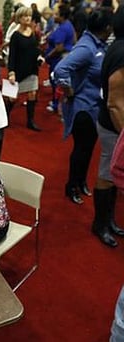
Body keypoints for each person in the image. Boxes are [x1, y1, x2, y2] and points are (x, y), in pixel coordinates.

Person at [53, 8, 113, 205]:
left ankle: (80, 182)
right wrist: (68, 90)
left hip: (95, 107)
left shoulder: (99, 44)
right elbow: (61, 69)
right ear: (106, 28)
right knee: (81, 150)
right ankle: (71, 186)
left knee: (88, 150)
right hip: (82, 109)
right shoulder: (86, 48)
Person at [92, 4, 124, 248]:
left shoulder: (116, 45)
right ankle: (100, 224)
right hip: (113, 124)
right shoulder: (121, 51)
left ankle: (109, 220)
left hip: (112, 122)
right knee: (107, 173)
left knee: (111, 175)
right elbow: (115, 102)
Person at [7, 6, 43, 132]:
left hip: (32, 68)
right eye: (24, 16)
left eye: (29, 15)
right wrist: (11, 72)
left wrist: (39, 56)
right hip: (19, 70)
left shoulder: (32, 32)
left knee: (32, 93)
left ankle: (30, 121)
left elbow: (34, 49)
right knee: (13, 97)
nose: (28, 18)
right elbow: (12, 56)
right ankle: (5, 116)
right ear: (19, 18)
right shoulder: (15, 36)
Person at [44, 4, 76, 113]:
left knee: (57, 82)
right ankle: (56, 102)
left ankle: (56, 105)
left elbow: (59, 48)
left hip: (58, 59)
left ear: (62, 16)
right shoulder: (67, 24)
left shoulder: (63, 28)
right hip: (63, 57)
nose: (54, 16)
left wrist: (47, 57)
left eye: (56, 14)